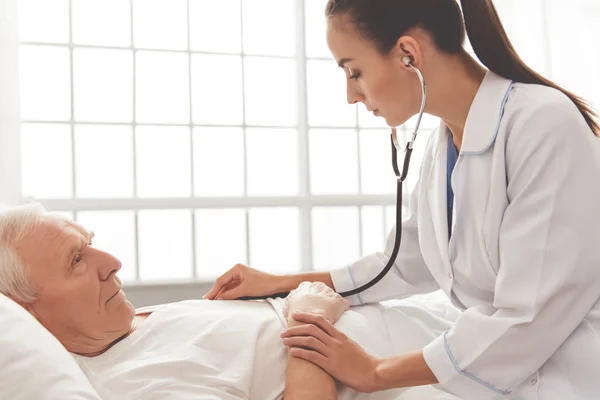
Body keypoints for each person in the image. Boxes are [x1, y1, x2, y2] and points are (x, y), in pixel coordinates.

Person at [205, 0, 600, 399]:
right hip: (497, 378)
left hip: (568, 378)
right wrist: (279, 283)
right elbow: (401, 263)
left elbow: (527, 317)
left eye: (354, 72)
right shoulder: (441, 147)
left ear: (408, 55)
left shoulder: (542, 123)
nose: (350, 96)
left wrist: (374, 371)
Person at [0, 204, 457, 400]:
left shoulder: (130, 325)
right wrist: (309, 323)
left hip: (448, 329)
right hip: (446, 374)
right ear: (24, 313)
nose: (113, 262)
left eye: (90, 243)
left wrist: (278, 287)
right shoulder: (132, 386)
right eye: (77, 260)